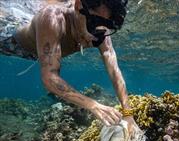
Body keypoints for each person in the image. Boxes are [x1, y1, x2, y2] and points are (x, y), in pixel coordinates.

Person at [0, 0, 135, 128]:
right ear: (78, 6)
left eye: (108, 25)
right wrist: (92, 104)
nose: (95, 34)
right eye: (93, 22)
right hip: (11, 42)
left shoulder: (101, 31)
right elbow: (49, 77)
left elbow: (114, 70)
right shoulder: (52, 18)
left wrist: (128, 113)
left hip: (37, 52)